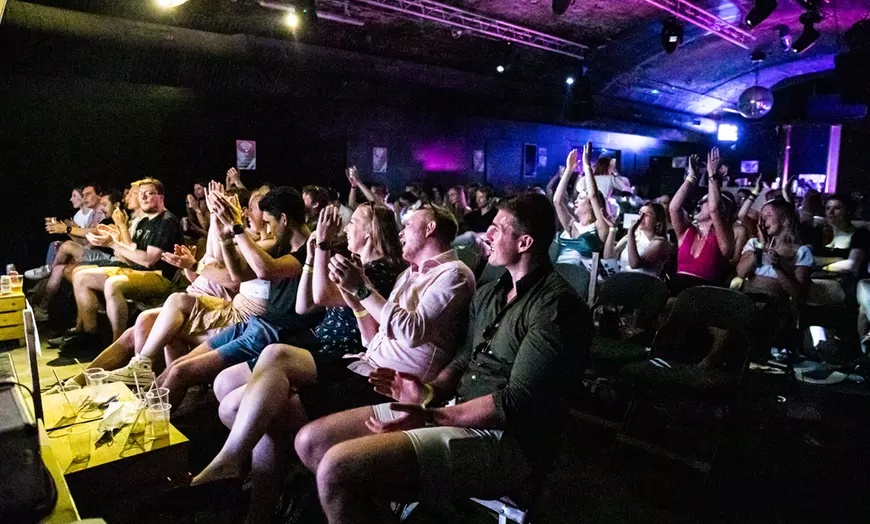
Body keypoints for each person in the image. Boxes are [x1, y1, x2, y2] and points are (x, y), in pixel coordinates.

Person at [294, 192, 590, 523]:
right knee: (312, 442)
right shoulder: (492, 293)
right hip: (453, 411)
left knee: (338, 468)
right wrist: (428, 393)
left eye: (497, 229)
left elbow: (516, 402)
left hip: (505, 440)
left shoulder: (556, 308)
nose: (486, 235)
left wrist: (433, 416)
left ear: (524, 243)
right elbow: (463, 361)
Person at [190, 203, 415, 522]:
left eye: (354, 224)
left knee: (272, 366)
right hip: (320, 346)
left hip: (341, 353)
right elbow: (303, 304)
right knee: (238, 408)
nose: (347, 229)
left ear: (370, 231)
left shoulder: (379, 270)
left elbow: (321, 296)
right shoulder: (354, 263)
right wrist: (313, 255)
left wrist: (322, 245)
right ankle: (257, 504)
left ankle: (243, 478)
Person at [157, 186, 316, 407]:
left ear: (284, 219)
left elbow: (266, 270)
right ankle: (139, 408)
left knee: (181, 372)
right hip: (254, 324)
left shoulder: (311, 251)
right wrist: (225, 237)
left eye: (269, 222)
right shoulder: (283, 246)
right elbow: (238, 274)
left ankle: (152, 429)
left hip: (273, 335)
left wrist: (237, 228)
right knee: (175, 366)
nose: (268, 228)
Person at [63, 179, 182, 349]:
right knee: (81, 276)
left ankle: (119, 344)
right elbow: (132, 251)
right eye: (141, 195)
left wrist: (113, 244)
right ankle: (89, 335)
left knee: (113, 284)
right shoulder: (145, 221)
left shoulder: (166, 221)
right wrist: (111, 237)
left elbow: (148, 260)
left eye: (149, 194)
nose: (144, 198)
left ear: (161, 197)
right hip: (136, 271)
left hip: (160, 277)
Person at [668, 149, 736, 294]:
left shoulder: (724, 235)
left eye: (704, 201)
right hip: (677, 291)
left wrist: (713, 176)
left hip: (703, 296)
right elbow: (673, 208)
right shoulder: (687, 231)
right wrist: (691, 177)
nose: (698, 204)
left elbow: (715, 209)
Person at [737, 198, 811, 301]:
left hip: (775, 306)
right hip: (747, 301)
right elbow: (741, 272)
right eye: (762, 216)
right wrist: (761, 247)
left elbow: (797, 294)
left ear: (784, 221)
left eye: (769, 215)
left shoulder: (801, 251)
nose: (763, 220)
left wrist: (778, 267)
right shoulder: (755, 243)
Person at [553, 143, 611, 265]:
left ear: (590, 205)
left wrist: (587, 166)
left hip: (580, 280)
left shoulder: (599, 228)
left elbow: (593, 195)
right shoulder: (571, 225)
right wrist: (569, 170)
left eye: (581, 198)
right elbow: (557, 201)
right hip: (559, 274)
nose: (576, 201)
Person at [603, 202, 670, 278]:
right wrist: (613, 229)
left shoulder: (660, 242)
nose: (640, 217)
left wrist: (631, 232)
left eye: (647, 215)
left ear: (657, 222)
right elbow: (608, 257)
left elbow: (635, 264)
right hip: (622, 281)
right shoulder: (634, 236)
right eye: (640, 213)